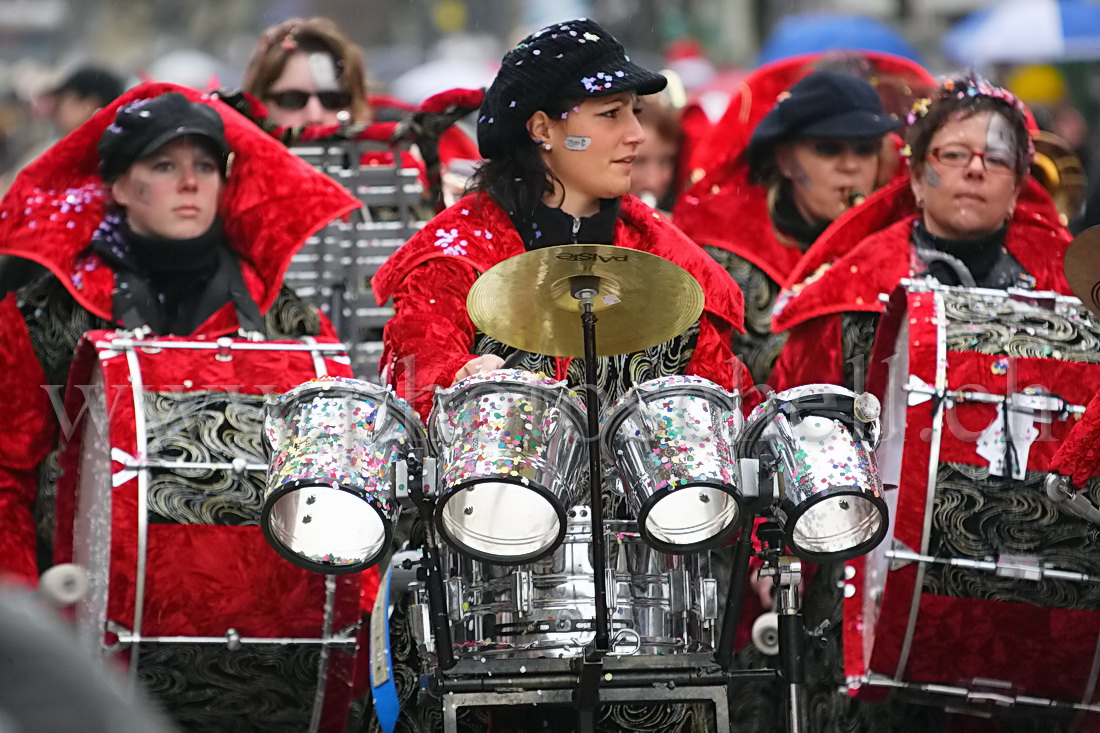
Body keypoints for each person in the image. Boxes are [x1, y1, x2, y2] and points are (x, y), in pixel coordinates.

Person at [369, 19, 751, 731]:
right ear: (542, 128)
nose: (635, 133)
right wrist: (463, 381)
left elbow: (723, 403)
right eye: (610, 115)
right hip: (487, 610)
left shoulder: (674, 263)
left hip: (653, 613)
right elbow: (417, 379)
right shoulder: (453, 254)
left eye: (636, 112)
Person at [763, 76, 1074, 733]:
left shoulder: (1071, 293)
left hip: (1026, 577)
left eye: (996, 158)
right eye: (955, 154)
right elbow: (795, 423)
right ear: (917, 171)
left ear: (1020, 182)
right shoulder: (847, 290)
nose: (974, 170)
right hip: (868, 570)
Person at [0, 83, 357, 584]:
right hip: (77, 607)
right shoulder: (43, 314)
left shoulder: (288, 322)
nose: (190, 183)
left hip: (253, 611)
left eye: (206, 167)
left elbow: (336, 481)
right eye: (164, 166)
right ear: (119, 187)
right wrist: (23, 606)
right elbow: (6, 477)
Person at [674, 61, 933, 386]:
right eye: (828, 149)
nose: (851, 166)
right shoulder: (726, 262)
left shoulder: (909, 247)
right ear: (786, 160)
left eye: (865, 149)